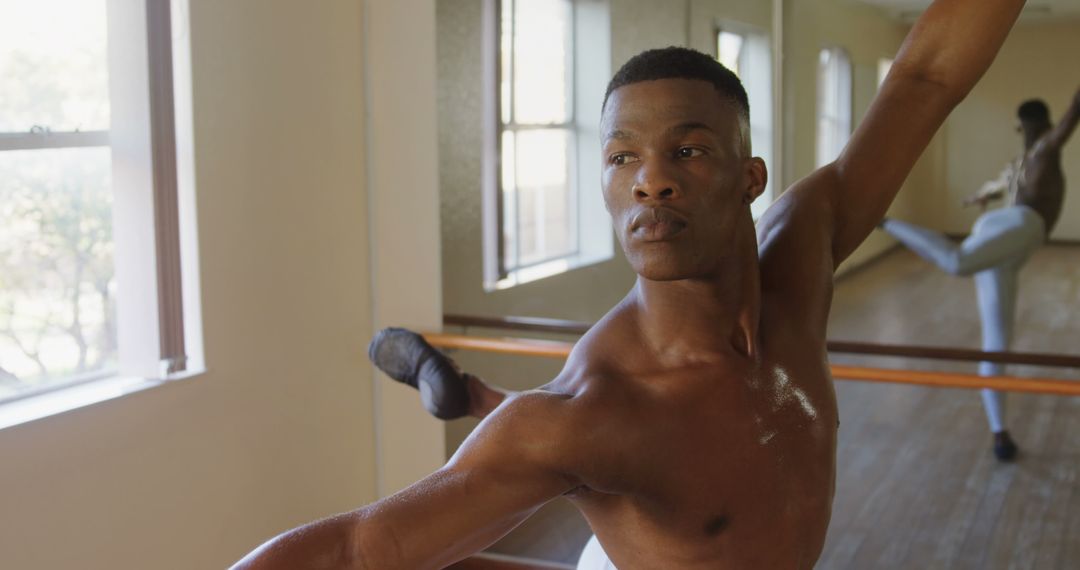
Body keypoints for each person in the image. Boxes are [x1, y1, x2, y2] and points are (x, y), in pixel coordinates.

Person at [232, 1, 1026, 568]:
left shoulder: (804, 251)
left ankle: (463, 391)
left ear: (750, 177)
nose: (651, 181)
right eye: (622, 158)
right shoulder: (590, 416)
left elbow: (923, 77)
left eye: (687, 151)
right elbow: (352, 550)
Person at [880, 89, 1080, 462]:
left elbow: (998, 185)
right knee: (958, 263)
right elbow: (1069, 122)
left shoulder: (1021, 159)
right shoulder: (1046, 149)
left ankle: (999, 432)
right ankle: (886, 222)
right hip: (1022, 226)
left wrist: (978, 200)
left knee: (996, 340)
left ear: (1019, 127)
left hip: (999, 230)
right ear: (1045, 124)